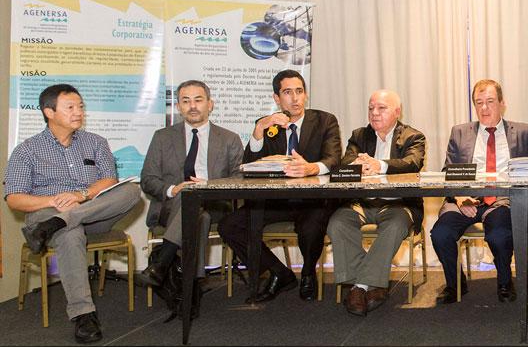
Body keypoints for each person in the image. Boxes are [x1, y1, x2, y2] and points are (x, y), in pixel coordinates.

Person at [4, 84, 142, 343]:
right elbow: (14, 198)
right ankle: (83, 315)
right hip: (46, 213)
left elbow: (109, 181)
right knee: (70, 233)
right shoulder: (27, 150)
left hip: (92, 214)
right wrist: (54, 201)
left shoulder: (96, 142)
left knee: (132, 191)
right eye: (70, 107)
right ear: (49, 112)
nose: (78, 112)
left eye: (80, 106)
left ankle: (59, 223)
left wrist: (80, 196)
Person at [218, 69, 342, 303]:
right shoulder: (268, 125)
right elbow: (249, 166)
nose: (295, 98)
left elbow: (334, 159)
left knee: (311, 227)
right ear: (276, 98)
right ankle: (279, 272)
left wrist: (310, 168)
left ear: (305, 94)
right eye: (287, 92)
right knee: (229, 225)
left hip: (312, 200)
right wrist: (258, 131)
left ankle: (308, 273)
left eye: (299, 91)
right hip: (276, 200)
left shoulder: (325, 121)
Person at [430, 79, 528, 304]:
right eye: (479, 102)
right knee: (441, 234)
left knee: (499, 236)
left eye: (490, 101)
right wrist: (460, 197)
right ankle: (455, 283)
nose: (484, 108)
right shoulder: (460, 132)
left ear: (502, 103)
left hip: (503, 200)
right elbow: (448, 171)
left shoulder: (522, 132)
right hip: (465, 198)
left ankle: (505, 281)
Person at [137, 80, 243, 317]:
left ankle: (162, 264)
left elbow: (239, 179)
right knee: (194, 208)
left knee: (199, 210)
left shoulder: (229, 138)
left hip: (214, 205)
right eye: (186, 101)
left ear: (210, 104)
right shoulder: (162, 137)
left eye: (198, 100)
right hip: (170, 207)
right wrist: (173, 189)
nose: (192, 106)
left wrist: (208, 186)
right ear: (178, 107)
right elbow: (148, 179)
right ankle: (192, 286)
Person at [326, 90, 426, 316]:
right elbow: (347, 161)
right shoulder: (360, 135)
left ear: (397, 112)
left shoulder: (413, 136)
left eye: (381, 108)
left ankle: (359, 287)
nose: (374, 113)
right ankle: (374, 285)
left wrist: (379, 165)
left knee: (395, 226)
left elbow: (412, 163)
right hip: (361, 203)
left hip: (397, 204)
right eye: (371, 108)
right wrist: (357, 164)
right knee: (337, 223)